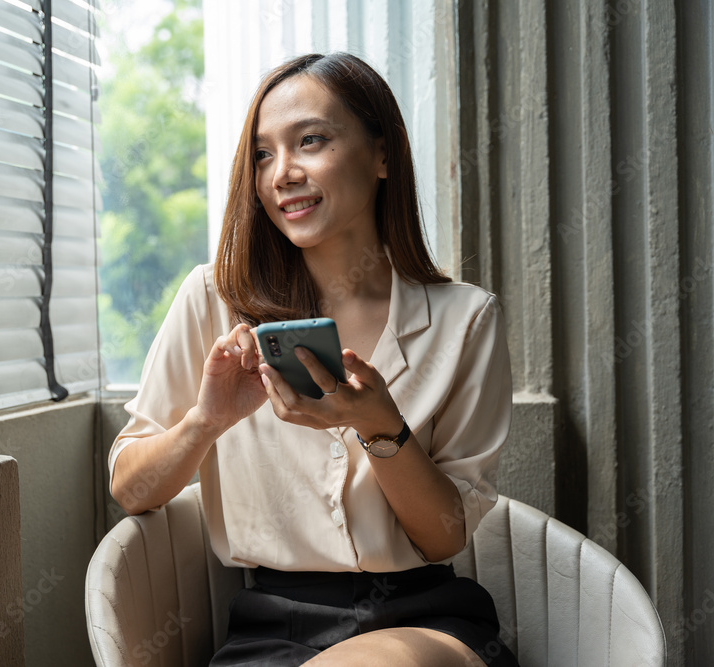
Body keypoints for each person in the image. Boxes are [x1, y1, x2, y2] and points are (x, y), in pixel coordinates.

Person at [108, 52, 518, 666]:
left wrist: (382, 429)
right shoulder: (212, 302)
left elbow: (443, 538)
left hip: (424, 622)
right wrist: (206, 422)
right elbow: (130, 489)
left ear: (384, 155)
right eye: (263, 155)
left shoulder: (466, 321)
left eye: (310, 141)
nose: (283, 174)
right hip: (271, 633)